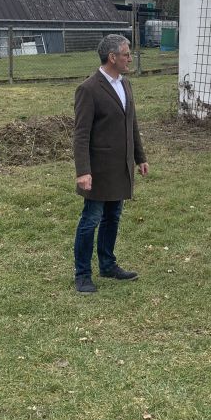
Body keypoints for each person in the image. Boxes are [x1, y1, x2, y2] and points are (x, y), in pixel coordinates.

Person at [72, 34, 149, 294]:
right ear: (112, 57)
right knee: (91, 219)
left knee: (113, 217)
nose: (130, 58)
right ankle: (82, 274)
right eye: (126, 54)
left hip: (121, 167)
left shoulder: (125, 84)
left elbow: (132, 124)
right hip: (98, 170)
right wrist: (83, 171)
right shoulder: (89, 89)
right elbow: (80, 134)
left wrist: (140, 157)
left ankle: (107, 264)